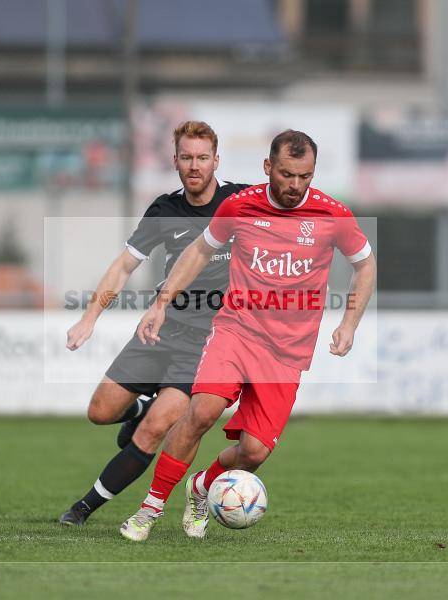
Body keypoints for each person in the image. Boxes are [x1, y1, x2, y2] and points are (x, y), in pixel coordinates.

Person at [119, 129, 377, 542]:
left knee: (254, 452)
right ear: (267, 167)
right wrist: (162, 301)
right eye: (287, 174)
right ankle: (149, 509)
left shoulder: (333, 215)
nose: (295, 186)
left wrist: (349, 323)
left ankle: (202, 487)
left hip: (287, 354)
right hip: (236, 330)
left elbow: (365, 265)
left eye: (305, 176)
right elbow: (200, 251)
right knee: (201, 411)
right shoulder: (240, 206)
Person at [58, 121, 248, 526]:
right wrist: (89, 317)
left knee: (154, 430)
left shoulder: (241, 201)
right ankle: (142, 406)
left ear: (216, 160)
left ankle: (83, 508)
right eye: (186, 158)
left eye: (202, 158)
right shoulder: (164, 209)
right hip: (160, 329)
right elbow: (124, 266)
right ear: (175, 160)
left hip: (207, 343)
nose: (194, 165)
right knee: (100, 412)